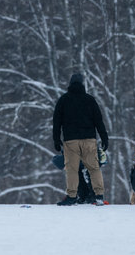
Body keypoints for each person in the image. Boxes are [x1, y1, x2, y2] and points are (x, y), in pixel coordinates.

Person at [53, 73, 109, 206]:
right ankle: (99, 195)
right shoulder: (90, 100)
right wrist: (104, 137)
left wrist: (56, 139)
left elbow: (57, 122)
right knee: (93, 168)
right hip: (89, 140)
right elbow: (98, 121)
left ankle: (72, 196)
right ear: (83, 84)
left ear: (70, 84)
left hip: (71, 140)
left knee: (72, 169)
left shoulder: (63, 100)